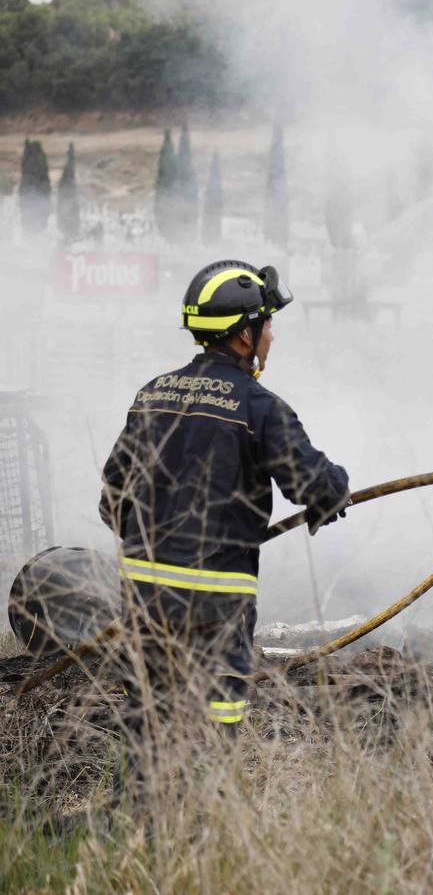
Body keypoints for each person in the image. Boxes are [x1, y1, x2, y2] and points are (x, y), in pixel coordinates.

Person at [100, 260, 349, 793]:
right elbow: (314, 487)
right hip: (218, 594)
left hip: (145, 590)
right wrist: (337, 489)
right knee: (218, 714)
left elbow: (112, 496)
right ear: (243, 335)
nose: (270, 338)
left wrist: (153, 539)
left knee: (148, 710)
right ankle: (206, 818)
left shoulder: (152, 395)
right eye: (267, 326)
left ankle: (135, 816)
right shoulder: (259, 407)